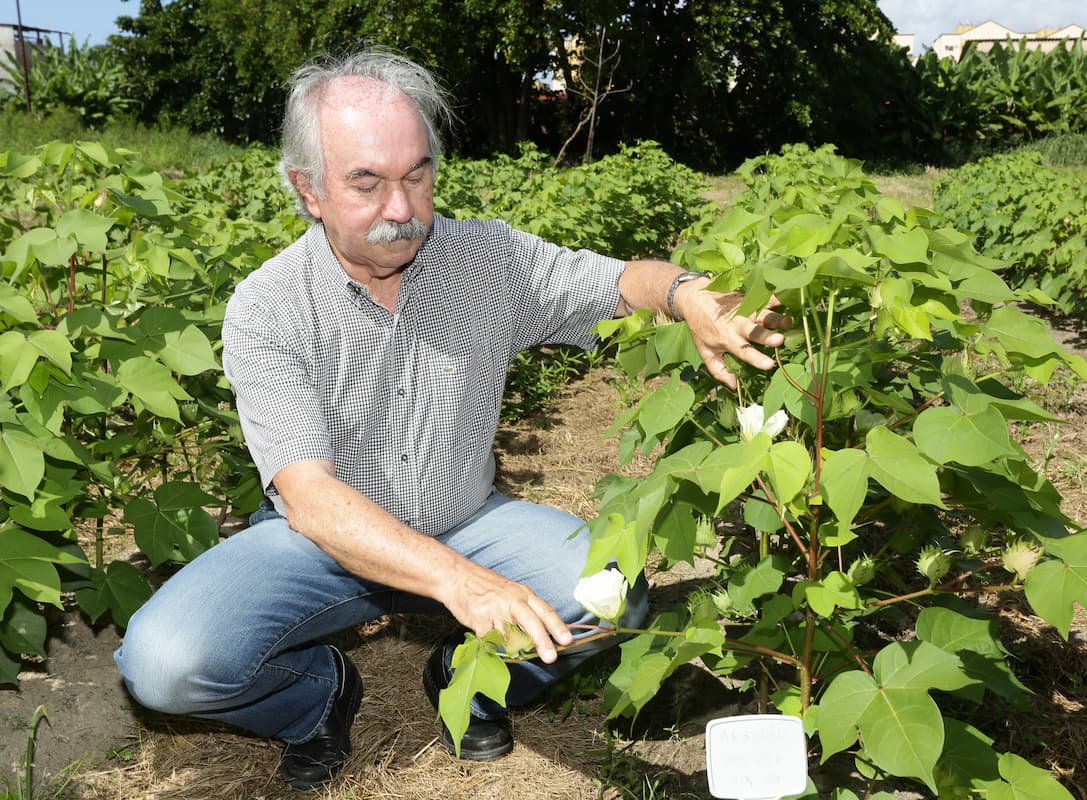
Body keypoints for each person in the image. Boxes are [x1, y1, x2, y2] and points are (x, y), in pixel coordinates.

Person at [113, 48, 788, 791]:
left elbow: (622, 283)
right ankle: (314, 699)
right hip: (319, 546)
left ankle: (470, 680)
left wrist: (688, 292)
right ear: (308, 189)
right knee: (164, 663)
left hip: (466, 518)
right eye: (366, 183)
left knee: (611, 590)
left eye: (417, 175)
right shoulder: (268, 307)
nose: (400, 210)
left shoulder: (486, 259)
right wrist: (462, 585)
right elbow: (309, 496)